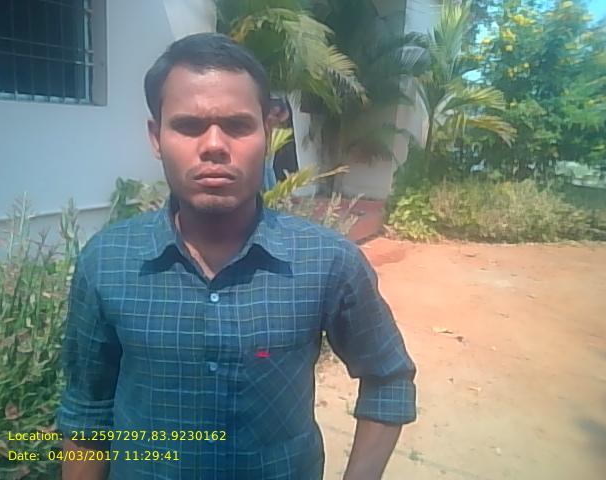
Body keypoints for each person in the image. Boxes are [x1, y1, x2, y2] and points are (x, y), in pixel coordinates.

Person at [57, 33, 416, 480]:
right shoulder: (107, 262)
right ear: (156, 136)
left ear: (268, 132)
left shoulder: (327, 261)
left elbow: (387, 378)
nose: (213, 145)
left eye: (238, 125)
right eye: (188, 126)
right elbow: (87, 411)